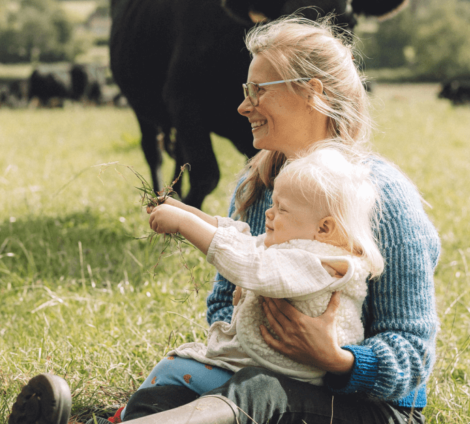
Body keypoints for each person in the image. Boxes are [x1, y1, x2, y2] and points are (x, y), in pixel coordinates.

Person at [0, 17, 440, 424]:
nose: (243, 105)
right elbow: (221, 305)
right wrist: (247, 317)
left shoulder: (383, 196)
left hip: (373, 416)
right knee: (186, 380)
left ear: (311, 92)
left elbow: (412, 353)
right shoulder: (255, 185)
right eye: (245, 89)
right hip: (255, 377)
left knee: (260, 392)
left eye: (259, 90)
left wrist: (337, 359)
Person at [141, 143, 384, 390]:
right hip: (267, 373)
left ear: (323, 228)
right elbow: (244, 240)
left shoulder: (318, 265)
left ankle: (123, 423)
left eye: (282, 209)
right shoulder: (300, 250)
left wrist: (184, 223)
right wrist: (185, 210)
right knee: (176, 372)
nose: (269, 213)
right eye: (273, 203)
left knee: (173, 369)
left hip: (287, 383)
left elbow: (248, 263)